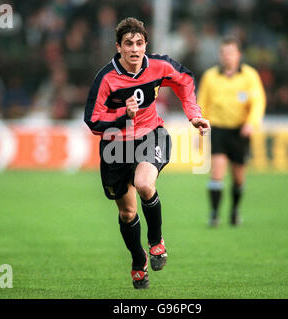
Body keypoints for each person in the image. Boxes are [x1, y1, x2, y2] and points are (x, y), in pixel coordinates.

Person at [83, 17, 210, 289]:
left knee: (144, 183)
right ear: (118, 47)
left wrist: (193, 114)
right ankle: (138, 260)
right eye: (128, 43)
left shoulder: (159, 66)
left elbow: (185, 80)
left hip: (151, 134)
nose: (134, 49)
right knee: (127, 213)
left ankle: (156, 242)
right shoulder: (106, 78)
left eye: (139, 43)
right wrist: (122, 115)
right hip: (116, 144)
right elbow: (93, 120)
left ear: (145, 45)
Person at [197, 36, 266, 227]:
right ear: (220, 55)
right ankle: (214, 214)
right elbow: (202, 104)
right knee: (217, 172)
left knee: (238, 177)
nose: (227, 56)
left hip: (240, 131)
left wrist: (251, 123)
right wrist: (200, 131)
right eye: (224, 52)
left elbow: (258, 102)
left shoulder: (249, 75)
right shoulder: (210, 76)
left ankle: (235, 211)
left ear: (238, 55)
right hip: (218, 129)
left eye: (231, 52)